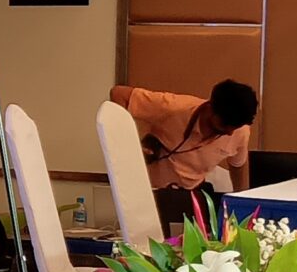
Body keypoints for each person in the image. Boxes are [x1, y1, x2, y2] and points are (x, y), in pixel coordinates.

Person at [110, 79, 258, 194]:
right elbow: (118, 94)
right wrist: (130, 143)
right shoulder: (174, 107)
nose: (230, 133)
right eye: (225, 124)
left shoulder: (240, 131)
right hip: (149, 191)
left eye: (235, 127)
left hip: (190, 195)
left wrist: (243, 199)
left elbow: (238, 165)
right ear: (211, 107)